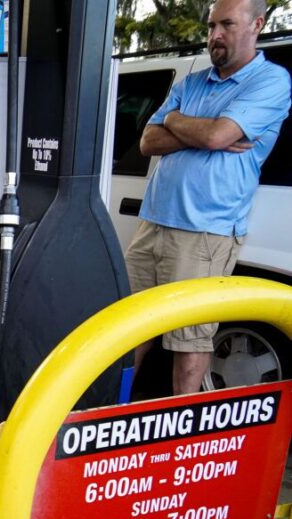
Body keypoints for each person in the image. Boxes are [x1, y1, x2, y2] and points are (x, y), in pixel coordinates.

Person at [126, 0, 290, 395]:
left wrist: (176, 122)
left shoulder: (270, 81)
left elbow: (217, 136)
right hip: (153, 223)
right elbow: (148, 141)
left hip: (205, 231)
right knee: (129, 329)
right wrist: (200, 130)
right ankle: (115, 423)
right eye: (212, 25)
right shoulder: (192, 82)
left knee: (190, 341)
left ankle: (183, 441)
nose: (215, 35)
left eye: (227, 24)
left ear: (257, 25)